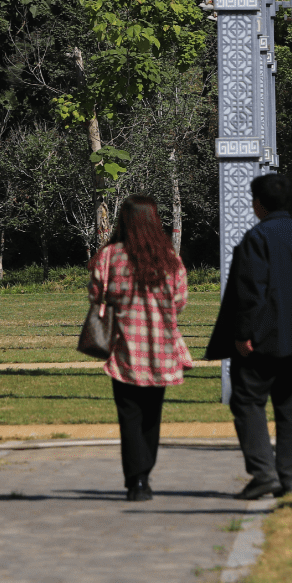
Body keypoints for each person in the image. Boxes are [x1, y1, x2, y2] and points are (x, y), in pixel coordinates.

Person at [205, 172, 292, 500]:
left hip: (262, 341)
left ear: (258, 203)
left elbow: (250, 293)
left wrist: (243, 334)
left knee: (247, 400)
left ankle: (263, 473)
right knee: (290, 408)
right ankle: (290, 477)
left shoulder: (257, 238)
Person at [89, 195, 191, 501]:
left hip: (124, 349)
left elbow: (96, 294)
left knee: (129, 416)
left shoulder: (110, 256)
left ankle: (135, 480)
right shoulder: (169, 258)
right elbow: (180, 302)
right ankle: (145, 473)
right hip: (161, 348)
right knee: (151, 415)